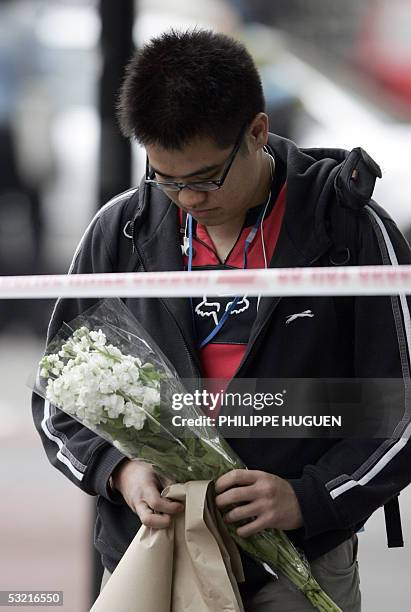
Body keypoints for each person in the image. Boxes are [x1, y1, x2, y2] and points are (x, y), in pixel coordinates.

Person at [32, 29, 411, 611]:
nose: (187, 199)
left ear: (257, 132)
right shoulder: (122, 230)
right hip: (152, 553)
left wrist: (310, 498)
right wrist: (120, 469)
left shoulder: (349, 229)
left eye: (205, 178)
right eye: (165, 177)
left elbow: (401, 405)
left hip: (297, 558)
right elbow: (59, 396)